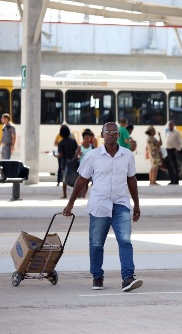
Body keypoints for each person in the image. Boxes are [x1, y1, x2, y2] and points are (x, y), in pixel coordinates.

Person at [61, 122, 143, 293]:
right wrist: (71, 203)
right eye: (109, 132)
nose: (112, 134)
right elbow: (81, 180)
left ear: (119, 135)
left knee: (125, 241)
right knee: (97, 244)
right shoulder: (92, 156)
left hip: (121, 203)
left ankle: (128, 277)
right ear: (102, 135)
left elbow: (132, 180)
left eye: (115, 132)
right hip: (99, 205)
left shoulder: (127, 155)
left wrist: (136, 204)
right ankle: (97, 276)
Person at [56, 125, 78, 199]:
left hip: (65, 162)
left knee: (65, 179)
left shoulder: (61, 143)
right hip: (73, 162)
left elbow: (60, 155)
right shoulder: (73, 141)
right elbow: (76, 151)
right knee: (75, 178)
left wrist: (55, 156)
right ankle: (76, 194)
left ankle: (65, 195)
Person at [75, 130, 95, 198]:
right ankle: (82, 195)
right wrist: (79, 155)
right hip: (82, 167)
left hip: (90, 167)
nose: (87, 140)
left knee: (87, 182)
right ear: (83, 139)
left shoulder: (92, 147)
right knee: (82, 182)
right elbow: (76, 157)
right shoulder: (80, 147)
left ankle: (82, 194)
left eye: (88, 138)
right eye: (86, 139)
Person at [165, 119, 182, 185]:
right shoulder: (168, 133)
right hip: (168, 150)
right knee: (169, 166)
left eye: (171, 125)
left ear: (173, 125)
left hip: (173, 150)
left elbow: (179, 142)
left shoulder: (176, 133)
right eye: (169, 125)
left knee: (174, 165)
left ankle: (176, 180)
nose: (170, 126)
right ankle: (172, 179)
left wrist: (177, 149)